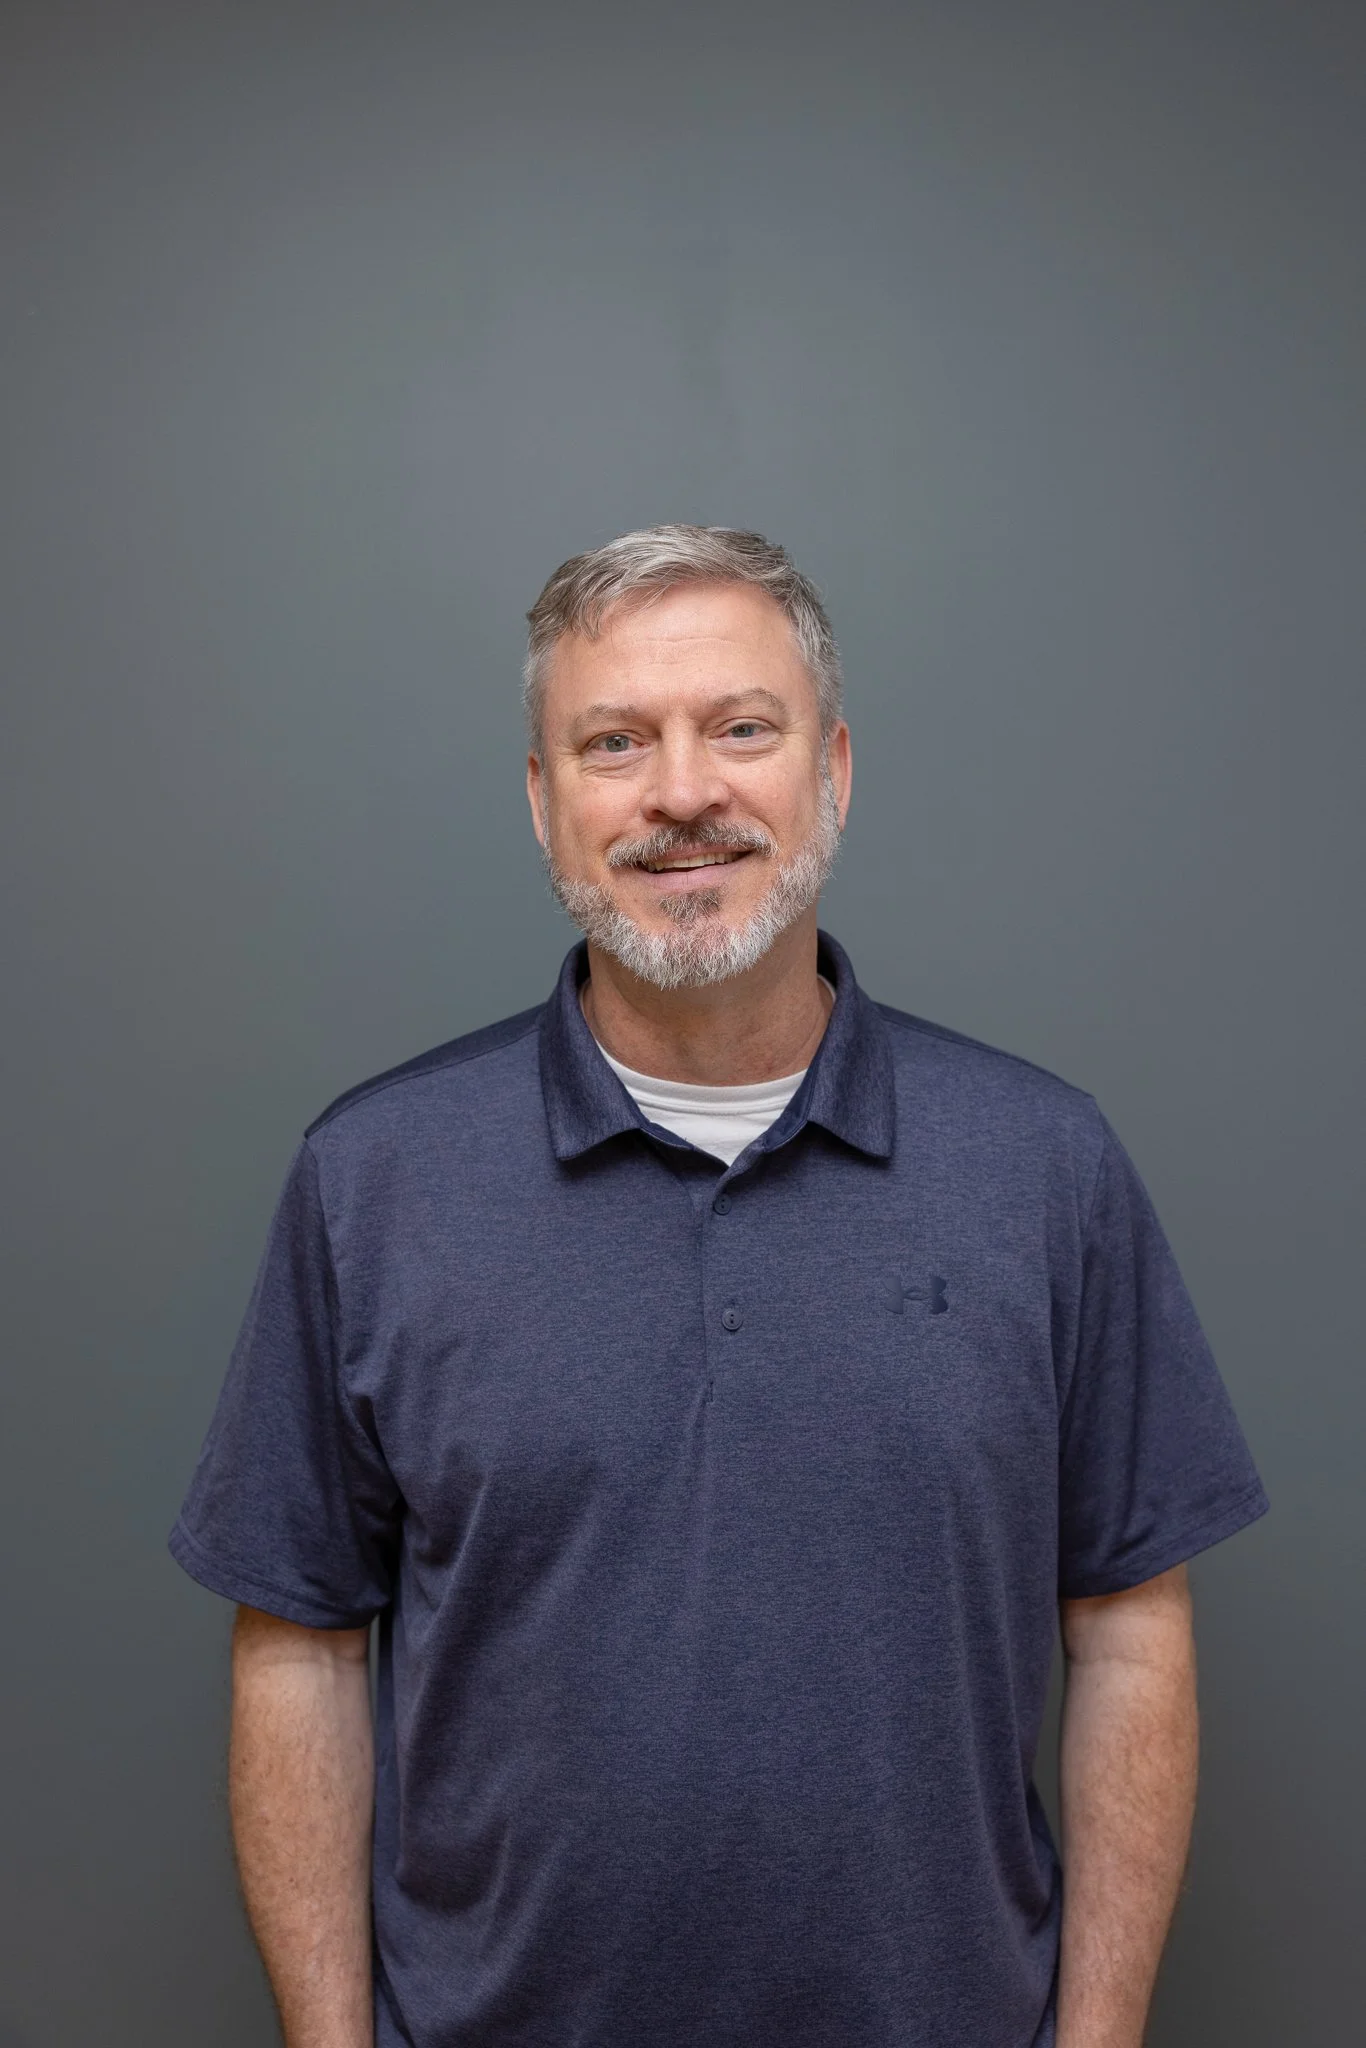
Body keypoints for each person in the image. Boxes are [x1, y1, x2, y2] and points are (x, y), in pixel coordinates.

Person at [170, 524, 1268, 2048]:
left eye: (737, 730)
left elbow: (1129, 1631)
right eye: (613, 742)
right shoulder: (375, 1178)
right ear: (545, 805)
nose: (681, 791)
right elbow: (297, 1646)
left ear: (829, 770)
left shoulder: (1041, 1164)